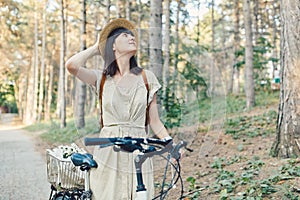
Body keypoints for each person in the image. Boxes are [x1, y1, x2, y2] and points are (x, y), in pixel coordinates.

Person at [66, 18, 172, 200]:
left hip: (139, 151)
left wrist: (170, 145)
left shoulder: (147, 78)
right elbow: (72, 66)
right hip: (109, 151)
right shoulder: (101, 79)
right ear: (113, 45)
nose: (132, 37)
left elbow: (154, 121)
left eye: (132, 35)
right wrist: (97, 47)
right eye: (125, 35)